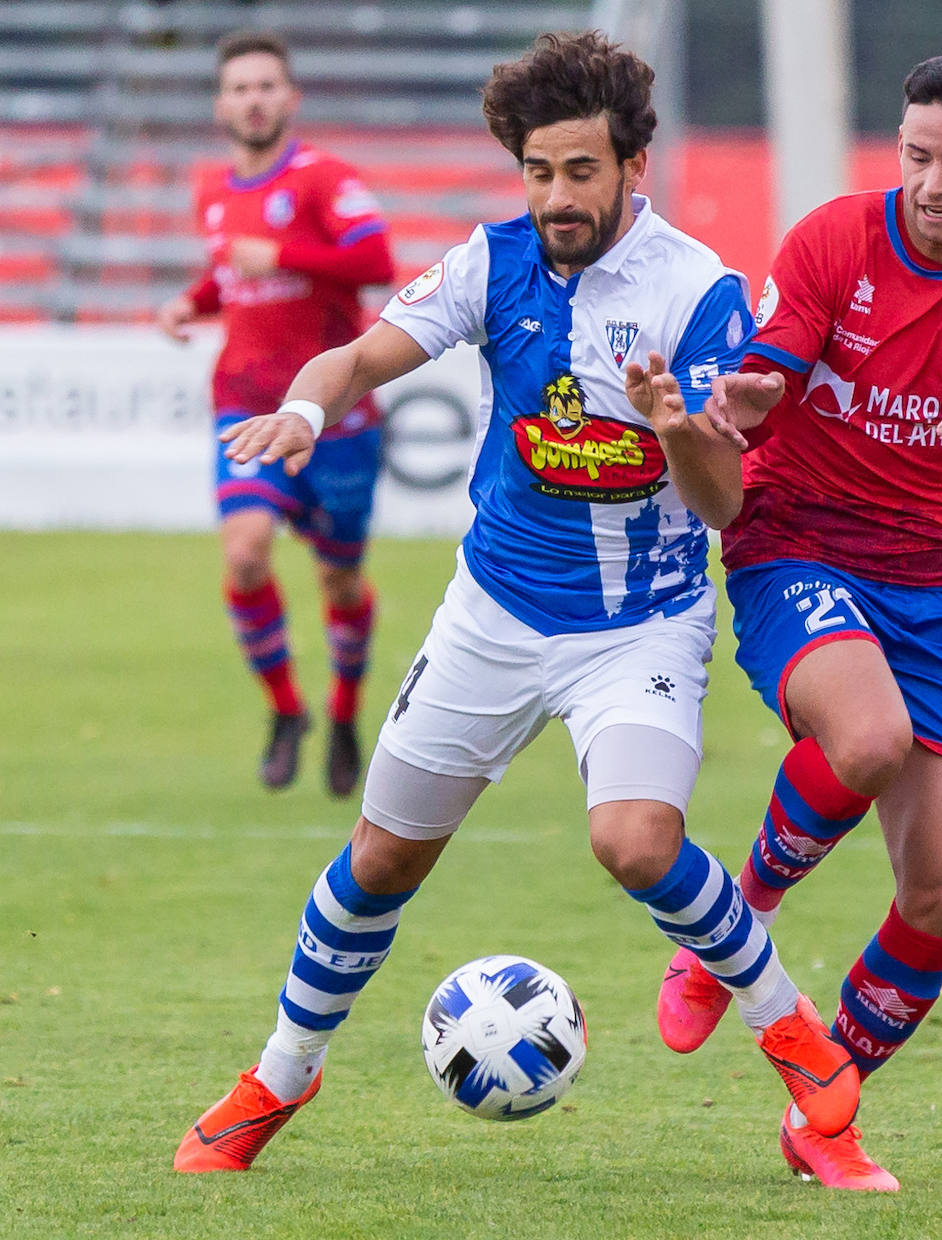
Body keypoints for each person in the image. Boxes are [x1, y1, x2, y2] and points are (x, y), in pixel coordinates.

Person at [173, 30, 860, 1175]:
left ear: (631, 164)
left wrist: (671, 426)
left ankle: (794, 1036)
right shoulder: (493, 263)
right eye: (536, 171)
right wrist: (303, 407)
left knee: (635, 842)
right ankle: (276, 1080)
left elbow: (723, 502)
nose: (554, 196)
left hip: (636, 624)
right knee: (380, 860)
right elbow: (353, 357)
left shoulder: (697, 292)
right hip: (492, 615)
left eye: (578, 171)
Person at [655, 52, 942, 1191]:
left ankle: (822, 1110)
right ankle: (733, 924)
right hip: (798, 546)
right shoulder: (833, 238)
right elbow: (773, 363)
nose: (933, 182)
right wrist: (743, 398)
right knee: (867, 738)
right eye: (915, 156)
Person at [158, 30, 395, 796]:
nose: (253, 99)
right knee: (245, 552)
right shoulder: (213, 191)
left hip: (334, 420)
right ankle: (288, 711)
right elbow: (228, 276)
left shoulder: (325, 179)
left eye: (266, 86)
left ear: (289, 99)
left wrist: (286, 254)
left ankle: (346, 710)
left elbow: (376, 262)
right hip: (245, 408)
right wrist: (190, 303)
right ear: (221, 103)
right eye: (239, 87)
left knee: (341, 585)